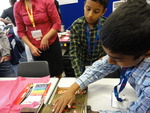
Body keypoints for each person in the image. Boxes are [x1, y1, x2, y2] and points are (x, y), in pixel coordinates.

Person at [52, 0, 150, 112]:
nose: (109, 61)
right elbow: (102, 66)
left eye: (117, 59)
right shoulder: (132, 52)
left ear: (146, 52)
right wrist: (72, 88)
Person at [14, 0, 64, 78]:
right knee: (42, 75)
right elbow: (21, 31)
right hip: (35, 47)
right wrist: (31, 47)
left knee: (57, 72)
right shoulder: (18, 6)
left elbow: (57, 23)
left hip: (51, 42)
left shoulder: (46, 1)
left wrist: (46, 37)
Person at [69, 0, 108, 77]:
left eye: (96, 11)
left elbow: (112, 51)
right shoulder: (76, 26)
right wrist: (79, 76)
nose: (90, 15)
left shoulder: (107, 26)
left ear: (103, 12)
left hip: (102, 67)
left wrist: (105, 58)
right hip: (83, 66)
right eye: (88, 9)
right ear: (84, 6)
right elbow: (75, 53)